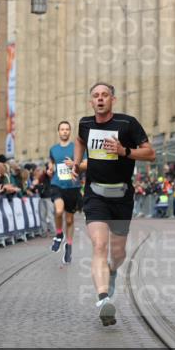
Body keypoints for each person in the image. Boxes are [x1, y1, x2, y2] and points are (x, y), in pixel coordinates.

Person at [74, 82, 155, 326]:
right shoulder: (85, 124)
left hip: (122, 196)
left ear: (113, 100)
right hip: (95, 195)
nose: (100, 99)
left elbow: (150, 153)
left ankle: (111, 271)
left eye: (105, 95)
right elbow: (79, 140)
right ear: (91, 101)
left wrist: (124, 151)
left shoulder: (127, 123)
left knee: (118, 254)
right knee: (99, 245)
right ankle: (103, 300)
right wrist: (77, 163)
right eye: (96, 96)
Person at [47, 121, 82, 263]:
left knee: (69, 220)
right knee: (59, 210)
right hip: (57, 184)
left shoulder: (76, 148)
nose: (65, 131)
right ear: (58, 132)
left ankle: (69, 245)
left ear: (70, 131)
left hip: (72, 186)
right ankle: (59, 233)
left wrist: (74, 164)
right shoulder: (53, 149)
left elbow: (85, 164)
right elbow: (51, 162)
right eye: (62, 129)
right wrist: (50, 169)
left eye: (67, 129)